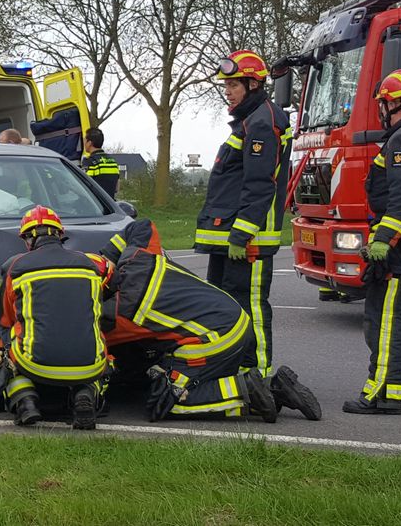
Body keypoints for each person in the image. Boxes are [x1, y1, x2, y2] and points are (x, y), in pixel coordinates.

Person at [100, 219, 320, 422]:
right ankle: (263, 390)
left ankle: (256, 391)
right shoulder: (136, 259)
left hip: (214, 337)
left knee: (168, 399)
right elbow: (140, 226)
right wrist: (107, 257)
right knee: (154, 372)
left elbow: (92, 349)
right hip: (231, 318)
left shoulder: (114, 313)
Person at [195, 50, 291, 379]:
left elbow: (260, 184)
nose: (227, 91)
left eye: (233, 85)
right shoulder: (251, 121)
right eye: (226, 86)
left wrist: (241, 234)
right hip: (230, 238)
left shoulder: (263, 123)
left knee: (250, 307)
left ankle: (258, 375)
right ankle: (234, 367)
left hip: (247, 241)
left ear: (253, 84)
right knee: (229, 307)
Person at [0, 205, 111, 430]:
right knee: (101, 351)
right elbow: (109, 276)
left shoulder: (16, 266)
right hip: (89, 365)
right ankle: (86, 394)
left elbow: (4, 318)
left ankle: (25, 400)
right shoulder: (90, 265)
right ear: (60, 234)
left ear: (27, 240)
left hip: (35, 365)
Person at [343, 69, 401, 415]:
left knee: (388, 321)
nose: (381, 112)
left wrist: (384, 240)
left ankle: (381, 394)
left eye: (383, 105)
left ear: (395, 103)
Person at [81, 128, 120, 199]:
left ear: (89, 143)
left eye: (84, 140)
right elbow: (116, 188)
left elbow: (84, 186)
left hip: (95, 204)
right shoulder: (112, 161)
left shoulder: (89, 161)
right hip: (110, 205)